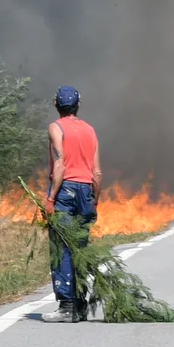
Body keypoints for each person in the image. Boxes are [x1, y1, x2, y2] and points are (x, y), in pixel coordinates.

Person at [43, 85, 101, 323]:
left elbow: (60, 165)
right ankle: (80, 304)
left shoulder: (56, 128)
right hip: (86, 190)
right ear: (79, 104)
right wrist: (94, 201)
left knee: (62, 246)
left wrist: (50, 199)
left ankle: (67, 307)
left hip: (65, 189)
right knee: (80, 247)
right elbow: (97, 172)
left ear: (56, 104)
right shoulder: (90, 130)